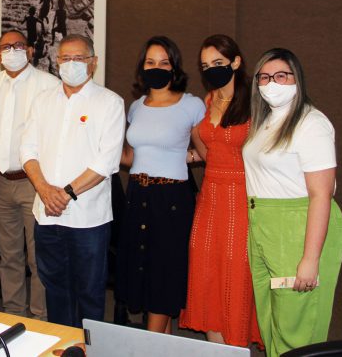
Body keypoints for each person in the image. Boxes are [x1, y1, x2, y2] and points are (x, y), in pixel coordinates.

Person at [242, 48, 342, 357]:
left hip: (299, 228)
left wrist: (310, 258)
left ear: (297, 79)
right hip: (264, 226)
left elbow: (321, 194)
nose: (271, 83)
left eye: (281, 76)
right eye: (264, 77)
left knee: (297, 325)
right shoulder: (265, 120)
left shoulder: (311, 124)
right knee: (271, 318)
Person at [20, 34, 125, 327]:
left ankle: (89, 347)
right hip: (47, 215)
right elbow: (27, 150)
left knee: (89, 293)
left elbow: (106, 161)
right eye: (65, 58)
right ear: (57, 62)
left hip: (88, 219)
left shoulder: (109, 102)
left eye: (79, 58)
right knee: (54, 290)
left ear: (93, 63)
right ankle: (64, 345)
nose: (71, 64)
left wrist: (64, 194)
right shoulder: (43, 101)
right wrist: (44, 189)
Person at [116, 35, 205, 333]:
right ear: (142, 67)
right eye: (150, 62)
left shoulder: (191, 105)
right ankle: (162, 345)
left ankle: (149, 344)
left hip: (171, 199)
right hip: (137, 194)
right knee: (143, 270)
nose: (156, 68)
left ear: (174, 67)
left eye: (164, 63)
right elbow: (131, 156)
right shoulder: (136, 106)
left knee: (164, 273)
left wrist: (185, 156)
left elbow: (209, 151)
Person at [178, 35, 262, 347]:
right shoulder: (209, 99)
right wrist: (182, 156)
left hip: (242, 197)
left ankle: (236, 347)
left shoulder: (256, 101)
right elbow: (208, 151)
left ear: (236, 62)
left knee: (236, 275)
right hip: (210, 197)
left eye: (218, 62)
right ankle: (218, 350)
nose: (211, 69)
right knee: (207, 272)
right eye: (205, 66)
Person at [0, 30, 59, 319]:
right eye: (6, 47)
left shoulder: (49, 84)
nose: (12, 51)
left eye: (18, 46)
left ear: (29, 51)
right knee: (9, 256)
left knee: (37, 257)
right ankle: (13, 313)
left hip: (34, 183)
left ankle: (40, 318)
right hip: (1, 182)